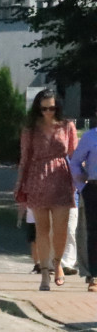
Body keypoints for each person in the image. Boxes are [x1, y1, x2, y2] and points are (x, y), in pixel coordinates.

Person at [15, 89, 77, 290]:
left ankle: (58, 264)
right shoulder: (30, 129)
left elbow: (74, 156)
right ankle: (44, 273)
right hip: (37, 178)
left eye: (51, 108)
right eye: (43, 109)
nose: (48, 112)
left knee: (61, 230)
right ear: (37, 109)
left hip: (61, 178)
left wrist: (80, 182)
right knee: (42, 229)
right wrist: (20, 186)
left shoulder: (67, 126)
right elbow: (24, 159)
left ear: (57, 107)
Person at [68, 121, 97, 291]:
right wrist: (83, 187)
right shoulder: (89, 136)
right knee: (94, 232)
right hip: (94, 188)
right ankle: (94, 274)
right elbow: (75, 162)